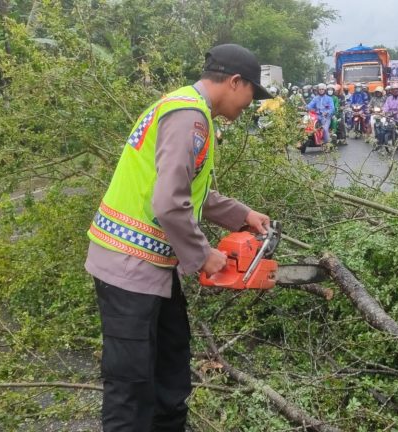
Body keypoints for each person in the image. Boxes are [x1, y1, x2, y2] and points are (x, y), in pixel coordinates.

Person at [85, 43, 271, 431]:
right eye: (252, 91)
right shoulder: (190, 118)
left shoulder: (187, 110)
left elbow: (188, 191)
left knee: (171, 372)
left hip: (153, 267)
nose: (251, 102)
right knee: (131, 387)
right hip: (127, 267)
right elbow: (170, 203)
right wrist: (204, 255)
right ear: (235, 82)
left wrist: (242, 215)